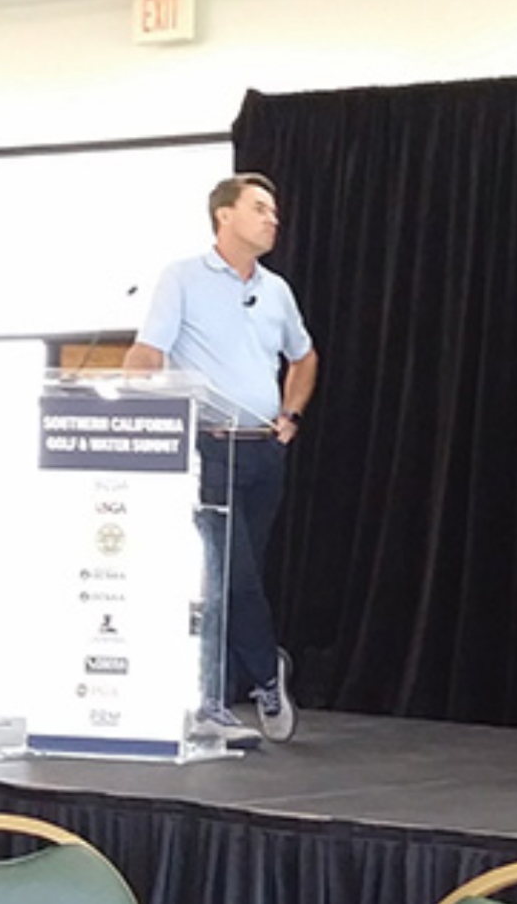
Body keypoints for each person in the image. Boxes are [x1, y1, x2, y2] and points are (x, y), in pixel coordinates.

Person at [125, 173, 319, 746]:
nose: (272, 219)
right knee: (229, 570)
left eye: (274, 211)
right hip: (209, 446)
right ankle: (260, 675)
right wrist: (131, 397)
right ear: (224, 216)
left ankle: (221, 695)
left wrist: (291, 415)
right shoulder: (182, 278)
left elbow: (304, 356)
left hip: (264, 451)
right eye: (260, 208)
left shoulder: (276, 290)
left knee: (234, 577)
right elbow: (149, 351)